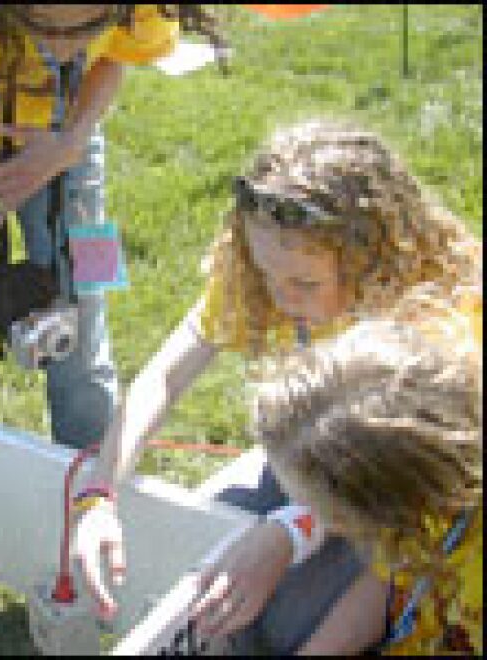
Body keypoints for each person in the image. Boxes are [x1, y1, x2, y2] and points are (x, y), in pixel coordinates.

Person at [70, 119, 482, 651]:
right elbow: (167, 375)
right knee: (191, 553)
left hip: (386, 490)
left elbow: (406, 504)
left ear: (369, 255)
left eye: (305, 284)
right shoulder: (270, 268)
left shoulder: (440, 339)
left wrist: (288, 533)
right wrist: (98, 496)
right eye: (265, 275)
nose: (281, 298)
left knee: (286, 621)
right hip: (308, 462)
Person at [0, 5, 221, 453]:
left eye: (89, 29)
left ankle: (95, 485)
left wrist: (70, 143)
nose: (63, 50)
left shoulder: (143, 8)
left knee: (86, 330)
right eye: (40, 28)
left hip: (71, 144)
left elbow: (117, 57)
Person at [252, 298, 482, 655]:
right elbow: (394, 574)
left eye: (312, 507)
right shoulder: (429, 392)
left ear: (384, 514)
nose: (298, 511)